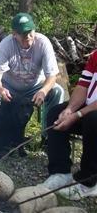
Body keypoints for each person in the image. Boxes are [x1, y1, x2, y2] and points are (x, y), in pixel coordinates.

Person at [0, 12, 64, 147]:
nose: (28, 37)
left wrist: (44, 90)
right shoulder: (6, 45)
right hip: (10, 85)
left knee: (57, 91)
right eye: (23, 35)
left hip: (35, 86)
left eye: (30, 33)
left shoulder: (43, 43)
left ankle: (48, 137)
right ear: (14, 34)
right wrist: (0, 89)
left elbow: (52, 76)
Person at [39, 26, 97, 200]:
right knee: (56, 112)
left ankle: (89, 181)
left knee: (92, 120)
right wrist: (70, 110)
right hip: (89, 109)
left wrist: (78, 115)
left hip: (93, 115)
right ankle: (61, 172)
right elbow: (82, 87)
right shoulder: (95, 56)